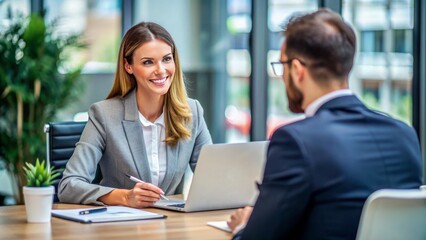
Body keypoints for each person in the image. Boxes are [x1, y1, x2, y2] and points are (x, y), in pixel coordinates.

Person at [227, 8, 422, 240]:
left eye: (282, 66)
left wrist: (243, 228)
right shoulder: (404, 135)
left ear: (297, 70)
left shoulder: (296, 142)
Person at [58, 22, 212, 208]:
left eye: (166, 59)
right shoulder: (104, 115)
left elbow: (214, 180)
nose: (161, 70)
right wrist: (124, 197)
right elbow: (68, 186)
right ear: (128, 66)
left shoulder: (191, 112)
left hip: (170, 225)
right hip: (120, 227)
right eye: (148, 62)